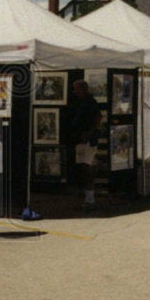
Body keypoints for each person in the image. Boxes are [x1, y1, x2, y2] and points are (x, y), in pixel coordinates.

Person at [69, 79, 102, 211]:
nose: (75, 92)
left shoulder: (90, 102)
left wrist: (89, 133)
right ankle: (86, 196)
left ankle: (90, 198)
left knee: (86, 167)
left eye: (76, 90)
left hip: (87, 140)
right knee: (82, 167)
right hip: (80, 139)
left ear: (83, 90)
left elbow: (98, 118)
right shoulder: (80, 102)